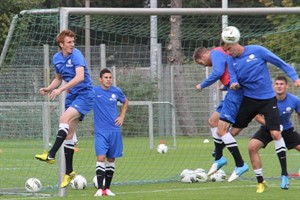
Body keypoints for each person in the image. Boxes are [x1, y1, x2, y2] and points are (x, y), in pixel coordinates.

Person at [222, 26, 300, 189]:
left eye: (229, 48)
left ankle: (284, 175)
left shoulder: (257, 51)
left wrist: (294, 77)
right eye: (226, 49)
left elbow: (280, 63)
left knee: (276, 132)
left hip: (266, 100)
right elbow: (234, 77)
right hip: (249, 100)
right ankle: (237, 164)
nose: (228, 52)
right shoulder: (230, 59)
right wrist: (233, 84)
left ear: (236, 43)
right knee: (233, 132)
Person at [35, 29, 95, 188]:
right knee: (68, 134)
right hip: (72, 96)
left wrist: (61, 89)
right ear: (61, 44)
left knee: (63, 119)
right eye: (69, 42)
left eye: (73, 42)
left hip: (85, 94)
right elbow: (58, 78)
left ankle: (50, 154)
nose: (72, 45)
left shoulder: (76, 54)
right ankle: (69, 173)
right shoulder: (56, 58)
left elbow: (80, 77)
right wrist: (49, 88)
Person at [193, 44, 248, 183]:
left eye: (201, 63)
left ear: (203, 55)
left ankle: (240, 164)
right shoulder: (219, 53)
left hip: (236, 93)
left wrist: (202, 85)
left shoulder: (214, 54)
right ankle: (219, 158)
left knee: (222, 131)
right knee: (213, 121)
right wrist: (225, 85)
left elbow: (217, 72)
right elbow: (227, 70)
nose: (204, 66)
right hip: (231, 91)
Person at [249, 76, 300, 193]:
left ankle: (285, 176)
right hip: (267, 128)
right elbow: (257, 116)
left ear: (287, 86)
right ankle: (261, 182)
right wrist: (272, 125)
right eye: (276, 84)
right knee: (252, 147)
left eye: (282, 84)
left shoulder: (295, 100)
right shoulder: (266, 99)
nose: (279, 86)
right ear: (273, 86)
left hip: (286, 130)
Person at [93, 68, 128, 197]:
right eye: (106, 77)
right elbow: (83, 95)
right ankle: (100, 189)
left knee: (111, 159)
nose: (108, 80)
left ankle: (107, 189)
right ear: (100, 79)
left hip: (115, 131)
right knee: (101, 157)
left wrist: (122, 116)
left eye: (110, 77)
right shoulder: (94, 91)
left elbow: (125, 101)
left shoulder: (116, 91)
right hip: (101, 131)